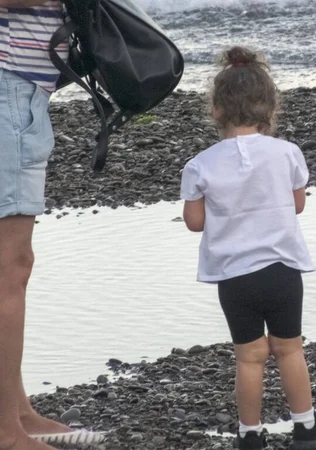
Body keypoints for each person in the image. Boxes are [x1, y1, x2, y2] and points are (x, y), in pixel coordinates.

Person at [180, 46, 316, 450]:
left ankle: (249, 436)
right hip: (283, 269)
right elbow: (297, 204)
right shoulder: (287, 153)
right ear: (270, 108)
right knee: (289, 350)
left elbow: (195, 223)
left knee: (249, 357)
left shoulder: (200, 164)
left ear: (215, 110)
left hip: (234, 276)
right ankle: (305, 429)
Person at [0, 1, 103, 448]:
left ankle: (17, 413)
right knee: (9, 271)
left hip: (21, 90)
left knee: (13, 267)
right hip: (8, 91)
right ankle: (5, 429)